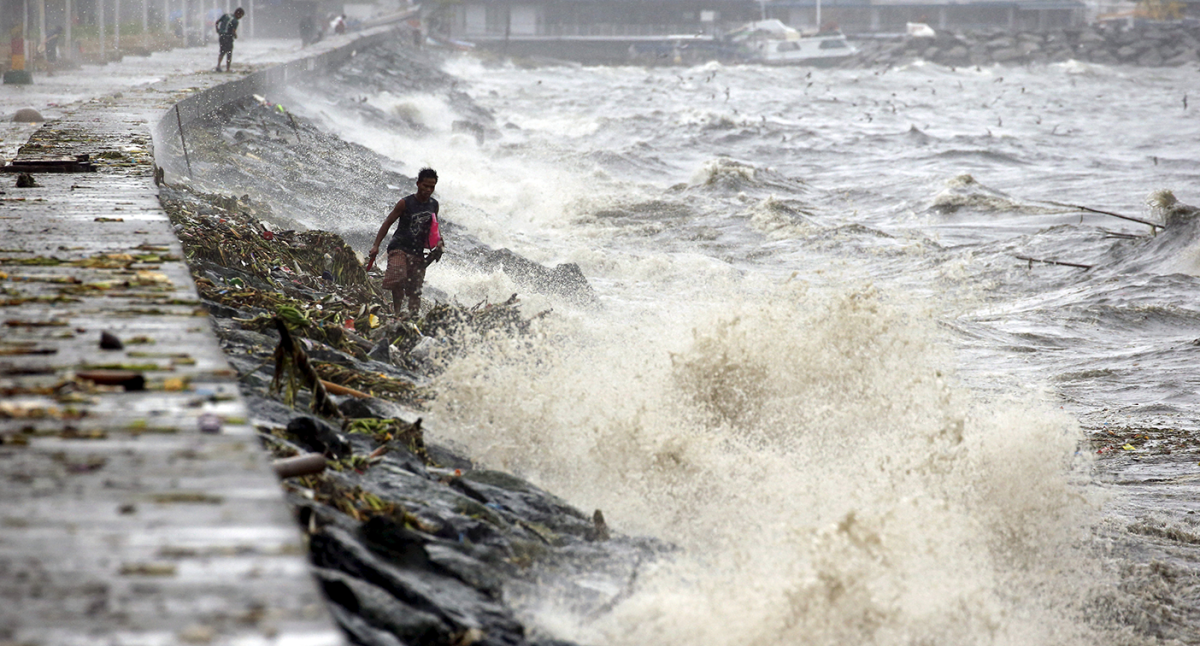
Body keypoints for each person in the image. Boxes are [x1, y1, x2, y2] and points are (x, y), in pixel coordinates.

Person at [365, 169, 445, 318]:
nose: (428, 190)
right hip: (399, 247)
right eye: (425, 186)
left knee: (415, 289)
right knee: (398, 279)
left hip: (418, 251)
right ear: (418, 184)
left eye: (432, 187)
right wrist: (376, 245)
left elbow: (434, 228)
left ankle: (413, 317)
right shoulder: (405, 203)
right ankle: (396, 313)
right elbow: (388, 223)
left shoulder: (434, 205)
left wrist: (440, 243)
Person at [214, 7, 244, 72]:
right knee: (229, 52)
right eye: (241, 16)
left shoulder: (226, 15)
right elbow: (233, 31)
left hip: (221, 36)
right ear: (238, 14)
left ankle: (218, 65)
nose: (240, 18)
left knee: (222, 51)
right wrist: (236, 36)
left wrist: (217, 30)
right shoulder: (235, 21)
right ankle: (228, 69)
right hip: (228, 37)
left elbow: (217, 22)